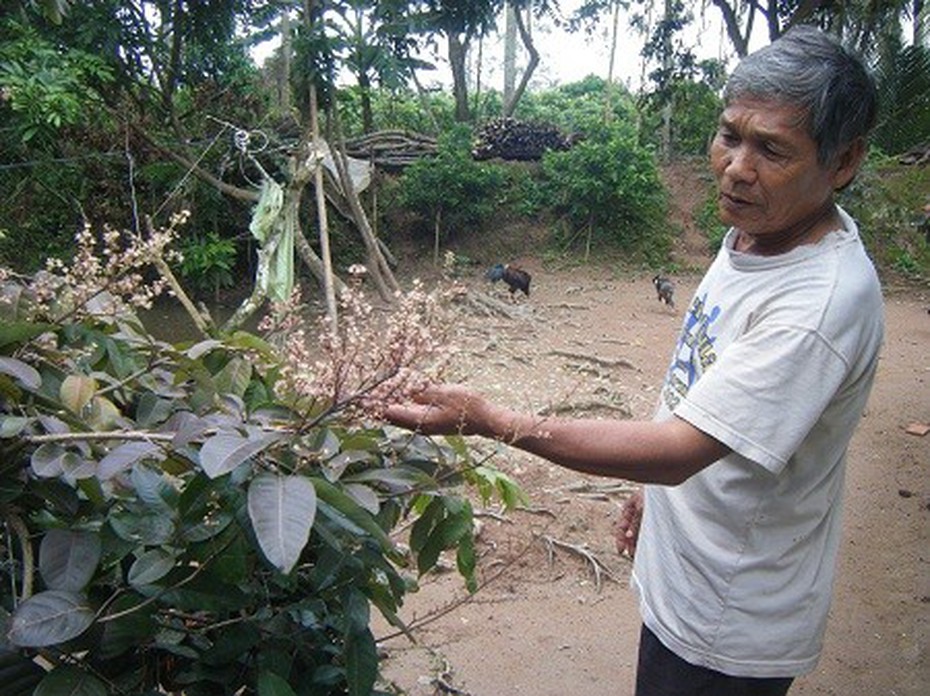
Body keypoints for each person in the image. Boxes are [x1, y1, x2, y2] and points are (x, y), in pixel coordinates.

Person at [385, 25, 883, 696]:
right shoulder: (756, 229)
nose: (737, 167)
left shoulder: (819, 304)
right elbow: (702, 389)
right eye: (730, 135)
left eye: (771, 149)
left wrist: (489, 418)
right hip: (690, 573)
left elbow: (683, 447)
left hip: (729, 620)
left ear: (843, 162)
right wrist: (655, 491)